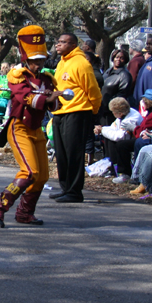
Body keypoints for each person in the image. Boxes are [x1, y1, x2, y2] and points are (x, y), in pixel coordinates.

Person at [0, 25, 63, 227]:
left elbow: (54, 106)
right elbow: (25, 98)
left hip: (36, 128)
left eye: (42, 60)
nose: (39, 64)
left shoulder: (47, 79)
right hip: (19, 127)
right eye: (35, 60)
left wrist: (55, 98)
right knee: (29, 172)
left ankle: (25, 213)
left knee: (42, 176)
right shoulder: (17, 76)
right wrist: (47, 98)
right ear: (27, 60)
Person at [49, 33, 102, 203]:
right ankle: (65, 188)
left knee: (73, 153)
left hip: (77, 112)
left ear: (73, 45)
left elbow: (93, 90)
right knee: (61, 153)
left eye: (63, 42)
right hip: (60, 112)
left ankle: (74, 191)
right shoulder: (62, 62)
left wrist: (93, 112)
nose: (58, 45)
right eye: (58, 42)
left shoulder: (81, 63)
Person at [95, 97, 142, 183]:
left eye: (113, 112)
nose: (112, 114)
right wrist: (102, 129)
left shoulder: (131, 119)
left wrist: (103, 130)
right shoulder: (124, 114)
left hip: (137, 139)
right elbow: (114, 127)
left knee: (120, 144)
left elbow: (119, 136)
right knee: (109, 137)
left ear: (120, 113)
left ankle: (124, 173)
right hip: (130, 138)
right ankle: (113, 168)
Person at [100, 49, 132, 125]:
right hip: (101, 108)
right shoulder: (108, 71)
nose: (118, 59)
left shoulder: (125, 75)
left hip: (112, 111)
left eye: (122, 58)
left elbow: (123, 93)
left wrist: (110, 104)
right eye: (117, 57)